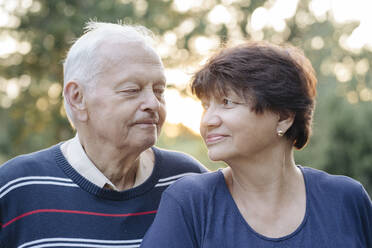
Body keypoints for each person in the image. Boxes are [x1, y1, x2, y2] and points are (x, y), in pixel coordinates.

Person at [140, 41, 372, 247]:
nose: (208, 120)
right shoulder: (189, 202)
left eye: (227, 102)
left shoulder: (347, 199)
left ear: (283, 116)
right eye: (205, 106)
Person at [0, 21, 207, 247]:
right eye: (131, 90)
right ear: (77, 97)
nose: (153, 103)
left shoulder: (188, 181)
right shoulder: (15, 186)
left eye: (159, 91)